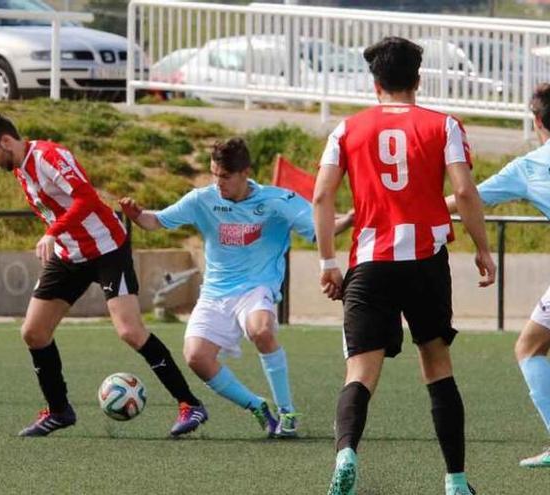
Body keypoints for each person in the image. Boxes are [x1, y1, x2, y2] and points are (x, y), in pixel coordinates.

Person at [312, 36, 496, 495]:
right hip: (425, 263)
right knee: (436, 363)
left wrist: (328, 263)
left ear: (375, 83)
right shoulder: (444, 125)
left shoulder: (346, 130)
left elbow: (321, 196)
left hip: (371, 263)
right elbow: (467, 192)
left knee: (360, 371)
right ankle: (455, 481)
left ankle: (346, 453)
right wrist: (482, 247)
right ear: (418, 79)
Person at [0, 108, 207, 437]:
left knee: (130, 331)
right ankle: (59, 410)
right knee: (34, 332)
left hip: (107, 249)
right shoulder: (21, 169)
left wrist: (53, 232)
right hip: (70, 255)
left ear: (6, 141)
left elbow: (87, 199)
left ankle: (189, 404)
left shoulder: (49, 156)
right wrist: (57, 236)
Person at [120, 138, 351, 438]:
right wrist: (138, 215)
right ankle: (257, 406)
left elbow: (324, 228)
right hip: (215, 293)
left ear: (245, 172)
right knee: (196, 356)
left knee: (262, 329)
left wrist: (350, 219)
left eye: (225, 177)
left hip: (256, 288)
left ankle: (287, 412)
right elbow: (156, 221)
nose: (218, 183)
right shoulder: (201, 200)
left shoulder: (276, 201)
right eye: (214, 174)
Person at [446, 83, 550, 469]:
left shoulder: (529, 167)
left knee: (530, 348)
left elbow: (468, 198)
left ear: (536, 120)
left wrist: (414, 210)